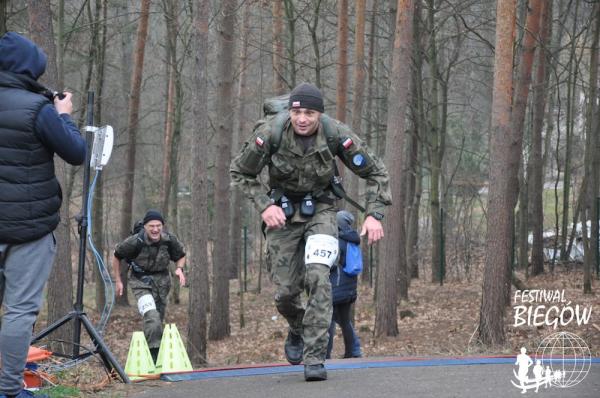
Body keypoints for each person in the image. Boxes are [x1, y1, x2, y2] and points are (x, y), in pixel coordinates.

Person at [230, 82, 391, 381]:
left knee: (318, 276)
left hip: (321, 210)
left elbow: (376, 171)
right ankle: (297, 328)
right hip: (281, 213)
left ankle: (315, 357)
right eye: (297, 111)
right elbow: (240, 171)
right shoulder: (270, 134)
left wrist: (375, 214)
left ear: (320, 114)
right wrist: (265, 206)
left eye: (310, 112)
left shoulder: (336, 134)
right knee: (286, 293)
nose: (302, 118)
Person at [0, 32, 86, 398]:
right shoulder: (38, 109)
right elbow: (76, 151)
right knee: (19, 312)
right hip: (30, 229)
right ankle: (8, 389)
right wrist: (63, 116)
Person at [112, 210, 186, 361]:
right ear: (145, 226)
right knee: (151, 316)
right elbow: (116, 255)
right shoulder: (134, 241)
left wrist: (179, 269)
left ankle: (153, 353)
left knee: (158, 320)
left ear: (162, 226)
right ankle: (154, 358)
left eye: (158, 226)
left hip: (162, 283)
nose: (155, 229)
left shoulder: (169, 240)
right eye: (151, 226)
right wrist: (118, 280)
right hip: (140, 282)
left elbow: (181, 255)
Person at [326, 211, 362, 359]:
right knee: (345, 320)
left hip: (336, 287)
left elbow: (331, 265)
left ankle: (325, 354)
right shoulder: (353, 240)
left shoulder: (336, 241)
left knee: (328, 322)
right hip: (350, 288)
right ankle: (353, 351)